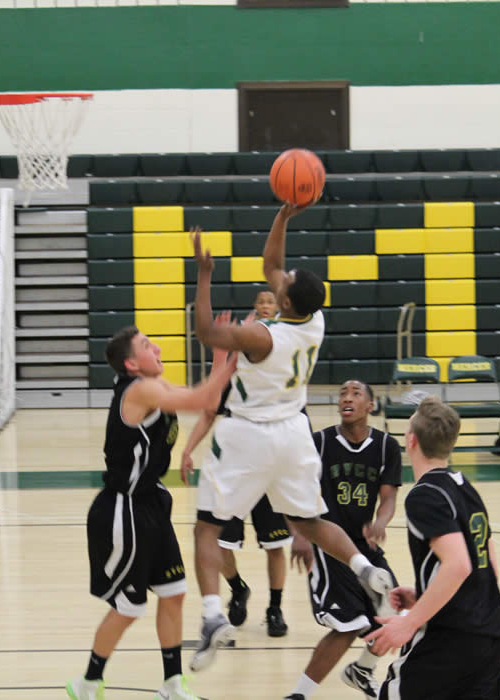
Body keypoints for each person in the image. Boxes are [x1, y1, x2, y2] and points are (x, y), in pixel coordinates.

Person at [188, 203, 394, 674]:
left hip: (247, 435)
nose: (281, 275)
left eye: (285, 281)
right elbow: (273, 263)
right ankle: (365, 568)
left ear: (283, 300)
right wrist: (283, 215)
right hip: (294, 433)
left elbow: (204, 332)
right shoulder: (314, 321)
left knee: (207, 528)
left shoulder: (261, 336)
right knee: (311, 522)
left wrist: (204, 275)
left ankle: (212, 615)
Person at [65, 324, 237, 700]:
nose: (156, 347)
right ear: (131, 363)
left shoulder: (154, 386)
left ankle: (172, 685)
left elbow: (208, 401)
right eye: (146, 345)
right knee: (129, 608)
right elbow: (201, 398)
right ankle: (87, 684)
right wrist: (233, 354)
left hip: (151, 504)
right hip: (123, 509)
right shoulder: (139, 390)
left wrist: (222, 356)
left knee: (173, 593)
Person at [365, 396, 500, 700]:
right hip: (490, 632)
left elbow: (458, 565)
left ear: (411, 441)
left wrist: (410, 622)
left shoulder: (425, 494)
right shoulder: (464, 487)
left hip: (450, 639)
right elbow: (488, 568)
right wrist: (425, 593)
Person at [181, 290, 292, 638]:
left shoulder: (283, 373)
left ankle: (275, 608)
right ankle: (237, 587)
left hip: (270, 465)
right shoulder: (235, 368)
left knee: (275, 544)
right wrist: (188, 449)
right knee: (219, 541)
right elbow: (209, 409)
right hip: (234, 466)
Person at [285, 379, 402, 700]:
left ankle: (361, 670)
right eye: (343, 394)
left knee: (391, 614)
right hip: (329, 548)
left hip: (366, 548)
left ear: (370, 405)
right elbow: (293, 491)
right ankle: (299, 695)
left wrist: (380, 521)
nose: (347, 399)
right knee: (349, 624)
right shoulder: (320, 443)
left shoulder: (386, 446)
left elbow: (388, 497)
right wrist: (299, 533)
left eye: (356, 394)